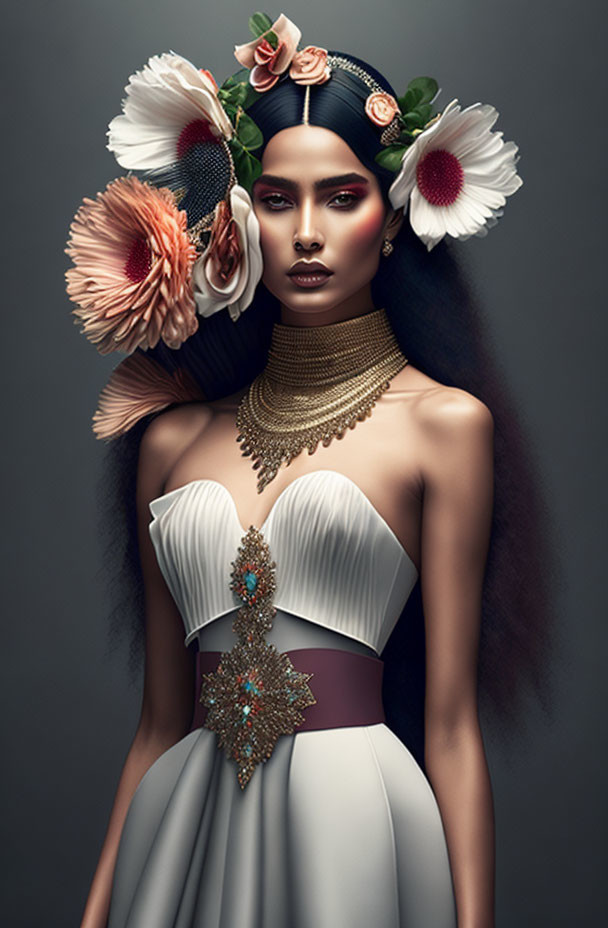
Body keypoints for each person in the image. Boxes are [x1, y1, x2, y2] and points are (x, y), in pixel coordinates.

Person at [67, 13, 557, 928]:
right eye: (277, 199)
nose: (305, 233)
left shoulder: (445, 427)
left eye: (341, 196)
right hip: (182, 830)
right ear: (236, 217)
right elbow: (158, 727)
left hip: (354, 827)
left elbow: (450, 731)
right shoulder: (171, 441)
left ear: (395, 216)